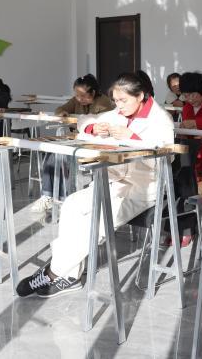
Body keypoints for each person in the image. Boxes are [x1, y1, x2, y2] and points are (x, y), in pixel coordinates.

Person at [17, 72, 174, 297]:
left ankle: (54, 272)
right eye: (116, 101)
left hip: (143, 189)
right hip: (113, 182)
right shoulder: (118, 114)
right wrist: (93, 128)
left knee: (95, 222)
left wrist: (132, 138)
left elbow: (166, 159)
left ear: (140, 96)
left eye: (123, 101)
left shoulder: (161, 119)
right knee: (72, 204)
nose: (119, 106)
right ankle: (71, 275)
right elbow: (85, 120)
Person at [31, 74, 114, 213]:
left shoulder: (103, 103)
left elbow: (99, 124)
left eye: (83, 95)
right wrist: (63, 112)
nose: (79, 98)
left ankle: (63, 198)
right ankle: (48, 196)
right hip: (79, 139)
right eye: (77, 95)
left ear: (93, 92)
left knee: (64, 157)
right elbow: (60, 109)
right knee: (52, 155)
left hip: (96, 143)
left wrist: (79, 122)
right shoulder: (76, 101)